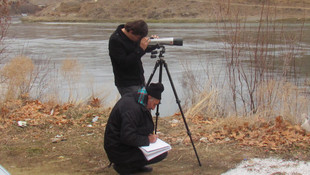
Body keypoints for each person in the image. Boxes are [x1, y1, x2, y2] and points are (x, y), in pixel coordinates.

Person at [104, 82, 167, 175]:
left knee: (162, 152)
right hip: (117, 150)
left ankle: (135, 166)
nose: (154, 108)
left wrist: (147, 134)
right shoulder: (132, 108)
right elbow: (127, 136)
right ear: (149, 97)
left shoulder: (138, 99)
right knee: (160, 154)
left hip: (121, 144)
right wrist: (147, 139)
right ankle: (123, 166)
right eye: (154, 104)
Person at [108, 20, 157, 96]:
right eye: (138, 38)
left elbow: (140, 49)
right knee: (134, 106)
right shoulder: (115, 40)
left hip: (139, 79)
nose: (139, 40)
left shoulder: (133, 36)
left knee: (143, 105)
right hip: (127, 83)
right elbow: (123, 63)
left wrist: (153, 44)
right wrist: (140, 49)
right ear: (131, 31)